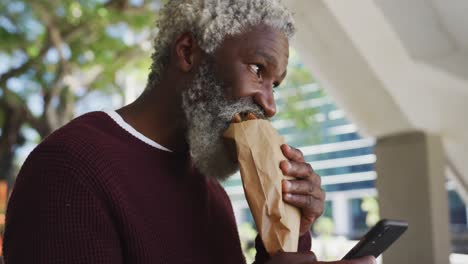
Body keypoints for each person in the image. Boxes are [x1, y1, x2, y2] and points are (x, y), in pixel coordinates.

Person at [3, 1, 375, 264]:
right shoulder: (70, 167)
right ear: (187, 52)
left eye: (275, 85)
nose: (270, 105)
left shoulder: (209, 188)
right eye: (258, 69)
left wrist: (291, 231)